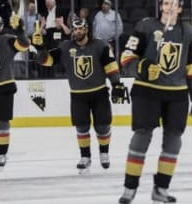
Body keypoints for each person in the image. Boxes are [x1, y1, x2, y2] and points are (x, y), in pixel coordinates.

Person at [117, 0, 192, 204]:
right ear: (160, 7)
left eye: (173, 4)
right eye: (165, 3)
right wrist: (143, 66)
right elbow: (126, 59)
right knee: (142, 136)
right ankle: (130, 188)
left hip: (176, 94)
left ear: (180, 8)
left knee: (173, 142)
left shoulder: (189, 33)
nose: (168, 7)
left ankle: (161, 189)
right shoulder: (145, 26)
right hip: (147, 91)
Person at [34, 18, 128, 173]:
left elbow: (111, 66)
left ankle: (104, 153)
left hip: (99, 93)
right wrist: (39, 47)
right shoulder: (65, 47)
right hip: (78, 95)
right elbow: (47, 61)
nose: (77, 32)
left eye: (80, 29)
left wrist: (116, 83)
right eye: (75, 29)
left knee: (103, 126)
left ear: (86, 29)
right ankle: (85, 157)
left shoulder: (100, 45)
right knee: (82, 127)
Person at [0, 13, 29, 171]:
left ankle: (2, 153)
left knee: (0, 121)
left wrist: (19, 30)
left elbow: (24, 45)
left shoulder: (7, 40)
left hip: (4, 86)